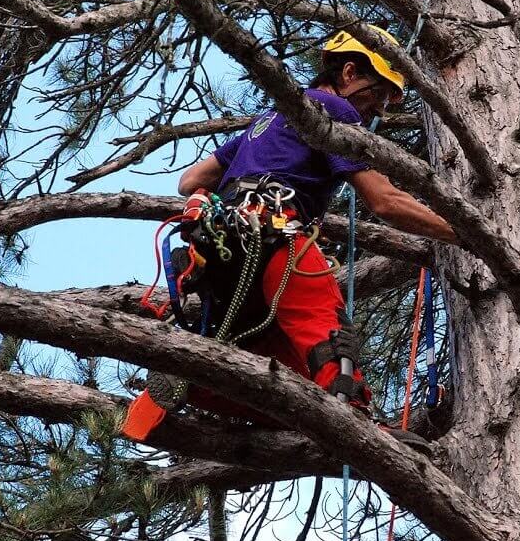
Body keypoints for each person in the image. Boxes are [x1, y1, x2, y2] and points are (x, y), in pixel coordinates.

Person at [123, 27, 454, 446]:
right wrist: (467, 233)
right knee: (325, 329)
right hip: (275, 234)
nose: (378, 114)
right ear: (349, 72)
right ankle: (355, 420)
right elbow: (384, 201)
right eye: (378, 96)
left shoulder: (270, 118)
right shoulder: (331, 108)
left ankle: (192, 382)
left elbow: (190, 181)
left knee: (281, 374)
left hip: (225, 257)